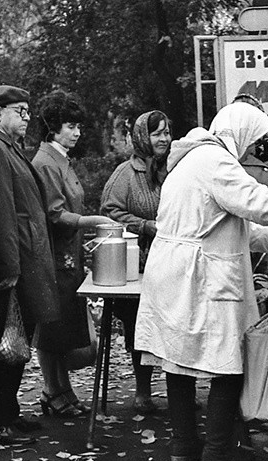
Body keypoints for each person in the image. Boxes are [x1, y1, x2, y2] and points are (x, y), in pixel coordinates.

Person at [133, 103, 268, 461]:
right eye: (254, 142)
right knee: (228, 364)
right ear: (240, 133)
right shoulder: (213, 161)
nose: (254, 151)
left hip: (174, 269)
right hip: (197, 273)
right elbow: (255, 202)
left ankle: (184, 447)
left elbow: (228, 220)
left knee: (180, 360)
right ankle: (217, 452)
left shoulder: (192, 159)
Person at [0, 85, 60, 446]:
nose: (26, 117)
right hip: (12, 265)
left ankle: (8, 413)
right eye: (19, 110)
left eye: (27, 111)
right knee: (1, 346)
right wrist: (8, 269)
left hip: (23, 260)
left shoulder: (4, 145)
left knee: (16, 343)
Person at [32, 91, 116, 417]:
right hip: (53, 258)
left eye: (79, 125)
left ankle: (59, 389)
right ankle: (53, 391)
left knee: (62, 330)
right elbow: (55, 214)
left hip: (68, 257)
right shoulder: (46, 162)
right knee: (52, 331)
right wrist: (94, 221)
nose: (77, 132)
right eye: (70, 125)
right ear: (53, 126)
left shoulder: (59, 159)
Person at [100, 109, 171, 414]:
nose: (164, 139)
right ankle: (143, 392)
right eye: (157, 133)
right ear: (143, 137)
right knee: (139, 329)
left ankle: (177, 392)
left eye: (167, 132)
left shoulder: (173, 169)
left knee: (174, 327)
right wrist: (144, 225)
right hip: (136, 265)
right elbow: (109, 212)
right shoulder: (124, 175)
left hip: (171, 263)